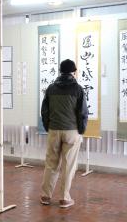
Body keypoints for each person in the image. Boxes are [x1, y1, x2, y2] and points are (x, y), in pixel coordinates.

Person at [40, 59, 88, 208]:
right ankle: (64, 198)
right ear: (73, 72)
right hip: (71, 131)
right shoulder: (78, 89)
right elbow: (83, 113)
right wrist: (81, 130)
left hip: (54, 130)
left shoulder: (51, 88)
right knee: (69, 166)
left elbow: (44, 111)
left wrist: (48, 126)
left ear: (60, 71)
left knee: (51, 163)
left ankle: (46, 196)